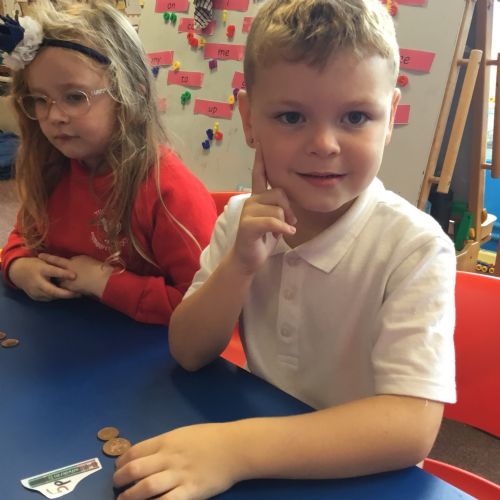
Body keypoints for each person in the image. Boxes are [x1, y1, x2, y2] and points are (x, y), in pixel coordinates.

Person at [113, 0, 456, 497]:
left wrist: (237, 450)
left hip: (366, 477)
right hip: (265, 450)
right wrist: (240, 265)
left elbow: (409, 427)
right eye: (292, 117)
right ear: (249, 119)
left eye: (356, 116)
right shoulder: (240, 220)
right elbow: (188, 351)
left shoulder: (416, 249)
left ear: (390, 118)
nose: (324, 144)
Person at [0, 0, 217, 325]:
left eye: (75, 97)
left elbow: (205, 309)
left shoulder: (168, 192)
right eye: (40, 99)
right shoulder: (52, 169)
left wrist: (103, 281)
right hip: (69, 338)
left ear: (131, 96)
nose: (54, 116)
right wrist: (19, 267)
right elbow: (21, 238)